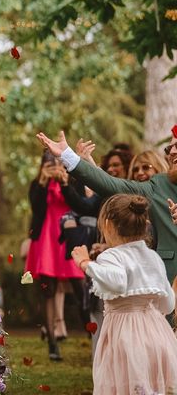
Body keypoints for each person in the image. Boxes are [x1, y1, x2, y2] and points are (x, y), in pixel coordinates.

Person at [36, 127, 177, 286]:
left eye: (176, 145)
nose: (172, 151)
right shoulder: (159, 184)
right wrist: (67, 155)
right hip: (169, 286)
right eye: (169, 147)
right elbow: (112, 185)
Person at [71, 194, 177, 394]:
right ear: (144, 224)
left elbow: (117, 282)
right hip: (157, 337)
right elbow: (168, 305)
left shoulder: (112, 256)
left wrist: (85, 264)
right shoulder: (153, 257)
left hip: (125, 338)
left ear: (108, 225)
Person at [25, 150, 87, 361]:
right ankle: (52, 343)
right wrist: (43, 183)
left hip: (68, 238)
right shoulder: (37, 184)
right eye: (49, 163)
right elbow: (36, 211)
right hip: (46, 242)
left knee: (81, 289)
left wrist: (64, 182)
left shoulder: (73, 181)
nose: (54, 166)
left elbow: (80, 206)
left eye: (58, 162)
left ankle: (93, 334)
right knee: (48, 291)